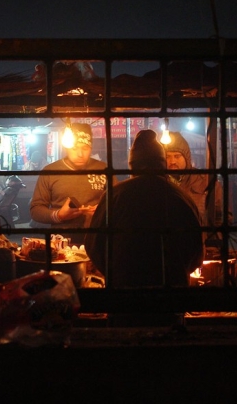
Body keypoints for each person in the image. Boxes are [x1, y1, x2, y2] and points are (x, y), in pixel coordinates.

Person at [84, 129, 204, 326]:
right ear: (162, 164)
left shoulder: (115, 195)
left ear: (132, 165)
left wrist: (114, 272)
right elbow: (196, 251)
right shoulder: (180, 197)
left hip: (123, 298)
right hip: (171, 300)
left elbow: (94, 245)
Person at [29, 123, 108, 244]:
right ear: (66, 147)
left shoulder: (103, 169)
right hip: (62, 242)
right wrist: (59, 215)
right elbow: (36, 210)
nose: (80, 154)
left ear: (91, 148)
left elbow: (117, 203)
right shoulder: (50, 171)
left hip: (97, 240)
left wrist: (102, 210)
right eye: (75, 148)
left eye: (85, 148)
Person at [164, 131, 231, 238]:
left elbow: (223, 215)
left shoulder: (205, 181)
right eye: (168, 157)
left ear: (187, 157)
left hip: (201, 245)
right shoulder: (158, 183)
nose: (172, 161)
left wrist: (213, 239)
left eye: (177, 156)